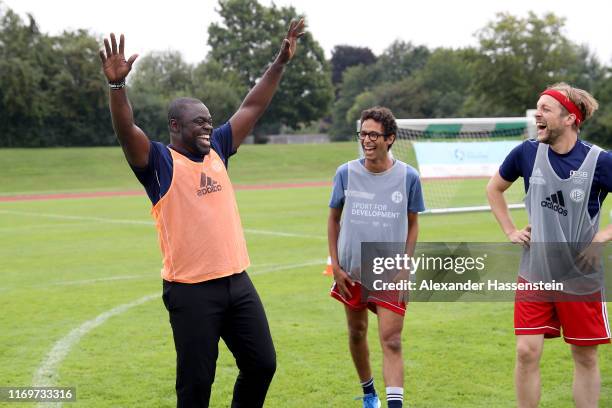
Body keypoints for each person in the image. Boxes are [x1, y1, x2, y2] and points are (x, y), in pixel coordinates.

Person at [98, 20, 305, 408]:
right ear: (175, 126)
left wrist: (280, 61)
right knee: (196, 387)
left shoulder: (219, 149)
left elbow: (253, 105)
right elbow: (126, 128)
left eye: (210, 119)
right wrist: (116, 86)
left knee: (262, 364)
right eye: (199, 121)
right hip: (191, 292)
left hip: (237, 283)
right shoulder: (158, 161)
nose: (208, 125)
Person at [487, 82, 612, 408]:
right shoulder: (526, 152)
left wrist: (602, 236)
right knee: (526, 351)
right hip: (535, 272)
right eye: (537, 108)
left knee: (584, 356)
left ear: (570, 118)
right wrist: (510, 230)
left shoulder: (599, 161)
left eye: (545, 109)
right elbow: (494, 189)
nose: (537, 115)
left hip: (580, 277)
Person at [328, 107, 425, 408]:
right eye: (363, 133)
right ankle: (369, 393)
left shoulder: (408, 177)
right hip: (352, 271)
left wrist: (406, 267)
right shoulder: (345, 173)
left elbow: (413, 223)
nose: (366, 140)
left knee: (392, 340)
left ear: (390, 139)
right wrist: (336, 266)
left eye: (373, 134)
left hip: (390, 271)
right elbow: (333, 220)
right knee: (357, 333)